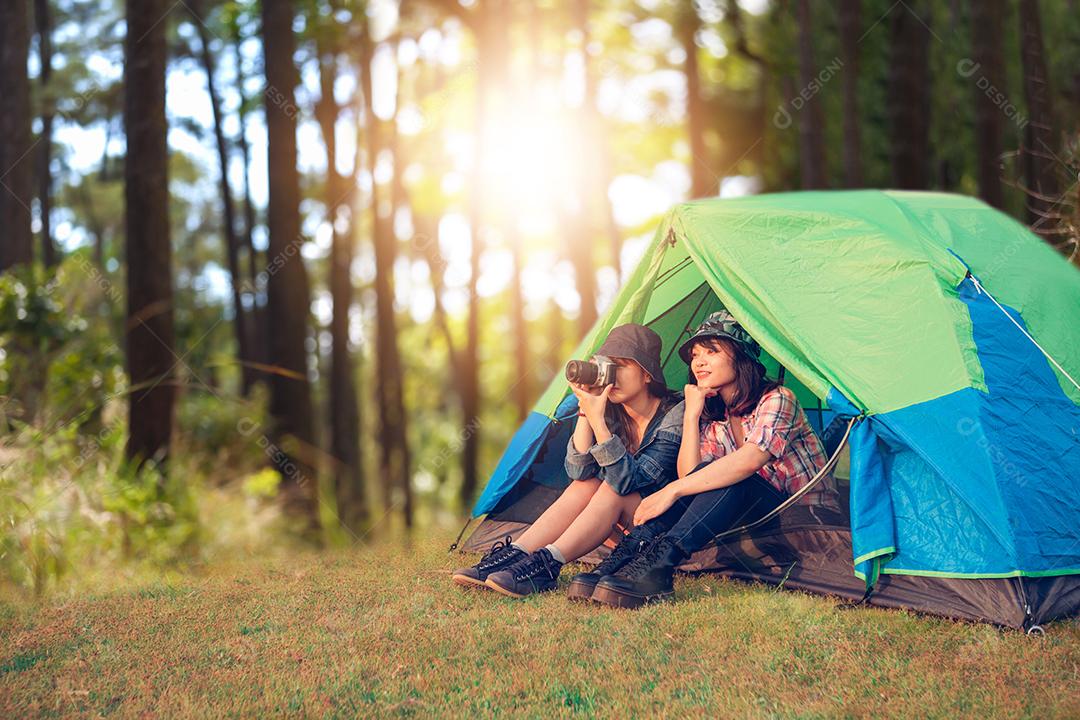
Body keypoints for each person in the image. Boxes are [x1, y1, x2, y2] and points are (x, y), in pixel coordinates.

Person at [587, 310, 838, 609]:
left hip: (805, 521)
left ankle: (661, 567)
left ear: (741, 356)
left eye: (712, 351)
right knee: (709, 475)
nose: (699, 362)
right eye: (695, 354)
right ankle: (626, 556)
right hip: (752, 521)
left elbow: (749, 460)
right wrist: (692, 415)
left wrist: (670, 491)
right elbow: (692, 476)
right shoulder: (715, 415)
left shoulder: (778, 398)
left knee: (734, 474)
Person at [451, 323, 684, 599]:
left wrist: (598, 420)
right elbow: (578, 471)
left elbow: (625, 482)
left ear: (647, 375)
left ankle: (548, 564)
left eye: (621, 365)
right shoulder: (608, 408)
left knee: (610, 487)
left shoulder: (674, 412)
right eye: (607, 365)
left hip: (660, 527)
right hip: (619, 522)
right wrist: (586, 412)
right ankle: (517, 555)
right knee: (585, 485)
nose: (611, 375)